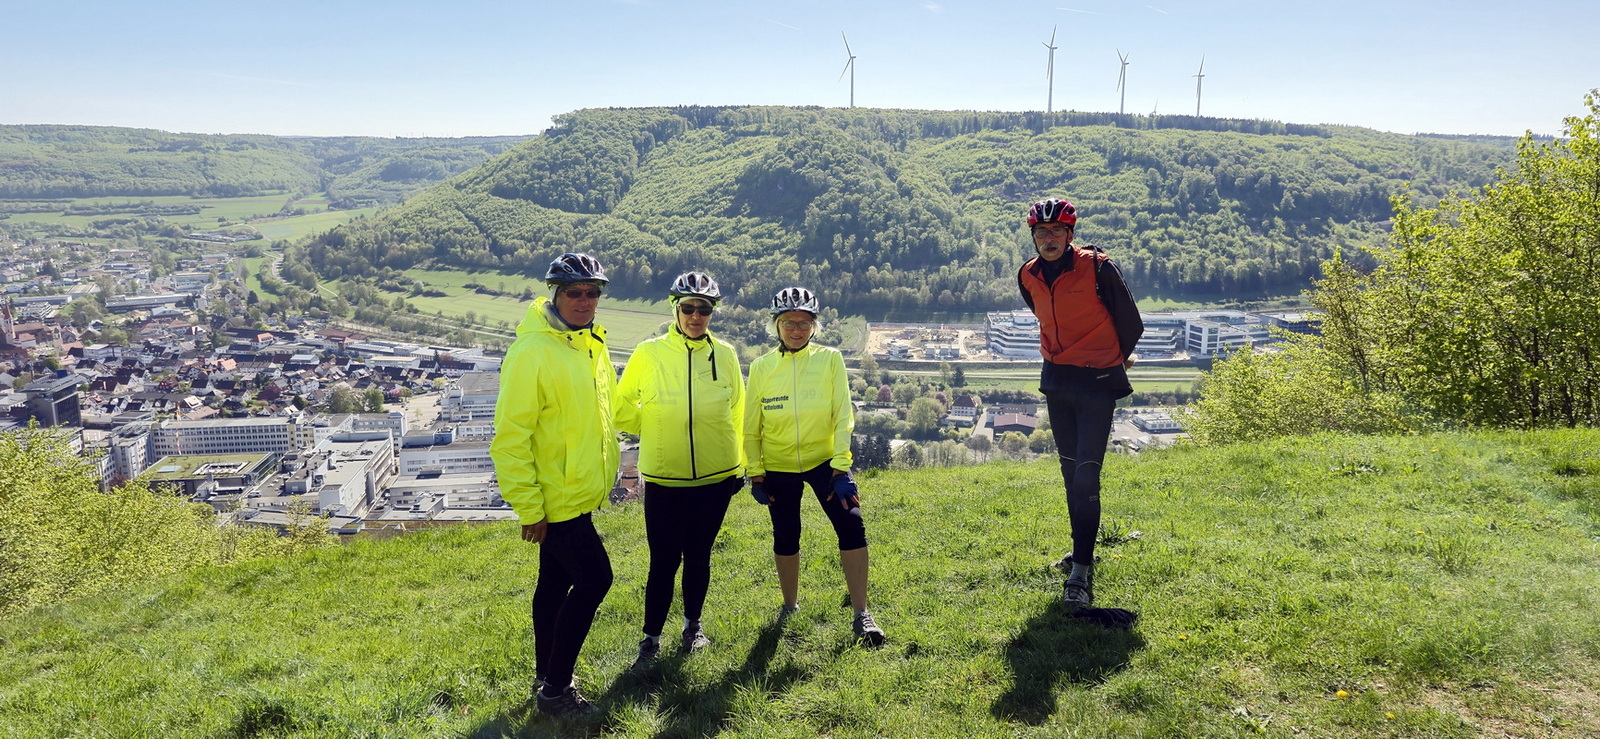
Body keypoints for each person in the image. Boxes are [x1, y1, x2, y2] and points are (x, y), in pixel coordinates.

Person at [490, 253, 620, 718]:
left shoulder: (590, 344)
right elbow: (510, 438)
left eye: (592, 293)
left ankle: (546, 675)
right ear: (555, 294)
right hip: (555, 499)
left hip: (578, 493)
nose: (584, 301)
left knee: (553, 585)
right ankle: (556, 693)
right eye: (574, 292)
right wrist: (529, 507)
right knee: (595, 580)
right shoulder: (532, 352)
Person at [1016, 198, 1144, 608]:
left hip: (1098, 381)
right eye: (1041, 232)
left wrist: (1113, 360)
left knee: (1087, 475)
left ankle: (1081, 574)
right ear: (1033, 237)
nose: (1048, 239)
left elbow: (1131, 322)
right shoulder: (1028, 275)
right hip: (1057, 380)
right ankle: (1081, 551)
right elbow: (1042, 313)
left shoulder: (1098, 268)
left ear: (1070, 235)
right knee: (1071, 473)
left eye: (1056, 232)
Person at [743, 287, 885, 646]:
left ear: (814, 326)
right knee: (786, 535)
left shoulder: (830, 359)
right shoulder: (761, 367)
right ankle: (790, 607)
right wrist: (755, 472)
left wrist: (841, 467)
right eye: (789, 322)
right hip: (778, 465)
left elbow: (842, 414)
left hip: (825, 463)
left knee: (852, 526)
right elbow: (751, 425)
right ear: (776, 325)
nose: (796, 329)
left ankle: (861, 614)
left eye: (805, 323)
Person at [615, 271, 745, 662]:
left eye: (702, 309)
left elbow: (738, 413)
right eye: (687, 308)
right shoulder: (648, 352)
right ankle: (651, 638)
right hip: (664, 478)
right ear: (675, 309)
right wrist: (654, 427)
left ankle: (693, 626)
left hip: (716, 477)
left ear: (711, 313)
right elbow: (622, 408)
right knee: (664, 561)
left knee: (700, 555)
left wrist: (739, 464)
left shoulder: (725, 354)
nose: (695, 316)